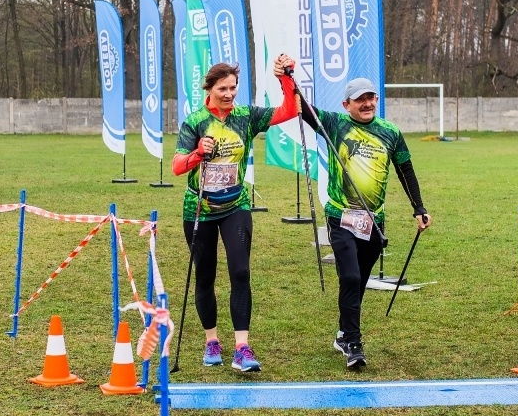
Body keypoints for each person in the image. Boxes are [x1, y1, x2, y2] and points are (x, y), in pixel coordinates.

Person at [273, 53, 432, 369]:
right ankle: (354, 345)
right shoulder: (334, 123)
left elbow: (405, 169)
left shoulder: (390, 132)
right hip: (341, 216)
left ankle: (344, 332)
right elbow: (302, 109)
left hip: (374, 221)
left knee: (358, 281)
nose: (368, 103)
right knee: (349, 274)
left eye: (371, 97)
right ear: (347, 104)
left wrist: (419, 207)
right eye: (360, 99)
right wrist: (286, 78)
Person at [173, 61, 297, 372]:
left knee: (240, 272)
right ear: (210, 90)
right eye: (222, 89)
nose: (229, 94)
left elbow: (289, 111)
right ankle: (211, 340)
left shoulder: (246, 116)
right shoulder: (196, 121)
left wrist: (284, 78)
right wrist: (198, 153)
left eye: (232, 88)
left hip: (236, 206)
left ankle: (242, 347)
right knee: (206, 274)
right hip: (199, 208)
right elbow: (177, 166)